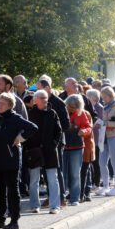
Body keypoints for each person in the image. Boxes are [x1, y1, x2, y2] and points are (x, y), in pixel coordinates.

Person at [0, 93, 37, 229]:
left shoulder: (15, 118)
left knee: (12, 191)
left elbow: (32, 127)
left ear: (10, 105)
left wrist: (20, 138)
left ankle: (14, 220)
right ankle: (1, 219)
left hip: (11, 160)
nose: (0, 105)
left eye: (3, 103)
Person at [25, 90, 63, 214]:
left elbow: (59, 132)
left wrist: (53, 144)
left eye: (46, 98)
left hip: (50, 151)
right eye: (42, 98)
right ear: (35, 100)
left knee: (53, 179)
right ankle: (35, 205)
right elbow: (26, 132)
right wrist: (30, 147)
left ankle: (55, 206)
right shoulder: (30, 114)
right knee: (34, 180)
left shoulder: (52, 113)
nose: (44, 100)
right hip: (34, 151)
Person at [38, 79, 70, 207]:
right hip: (43, 142)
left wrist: (52, 131)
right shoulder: (40, 102)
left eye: (39, 89)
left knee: (57, 169)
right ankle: (51, 196)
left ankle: (61, 197)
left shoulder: (58, 103)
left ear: (47, 88)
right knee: (45, 170)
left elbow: (66, 124)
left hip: (56, 141)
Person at [96, 87, 115, 196]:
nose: (103, 99)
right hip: (104, 136)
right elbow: (105, 120)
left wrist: (107, 124)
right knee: (102, 162)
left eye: (105, 97)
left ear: (111, 95)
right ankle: (105, 185)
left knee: (114, 161)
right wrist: (101, 123)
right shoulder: (106, 106)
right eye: (102, 97)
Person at [63, 95, 92, 205]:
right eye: (70, 106)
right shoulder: (62, 111)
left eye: (74, 107)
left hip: (77, 147)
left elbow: (88, 127)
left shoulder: (82, 113)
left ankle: (75, 198)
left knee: (75, 173)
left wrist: (83, 131)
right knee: (63, 174)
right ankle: (62, 197)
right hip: (64, 146)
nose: (71, 108)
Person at [86, 89, 103, 191]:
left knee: (96, 162)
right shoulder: (91, 107)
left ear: (92, 98)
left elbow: (101, 122)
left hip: (97, 137)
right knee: (92, 161)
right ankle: (93, 181)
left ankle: (96, 183)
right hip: (92, 137)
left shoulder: (99, 107)